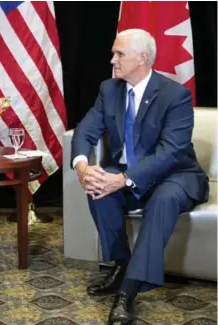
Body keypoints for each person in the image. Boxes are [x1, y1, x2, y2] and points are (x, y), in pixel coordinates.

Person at [71, 29, 209, 324]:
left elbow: (171, 152)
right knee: (97, 183)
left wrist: (122, 179)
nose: (112, 60)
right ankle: (121, 263)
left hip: (176, 175)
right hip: (129, 174)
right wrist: (82, 166)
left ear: (143, 58)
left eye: (119, 54)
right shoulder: (109, 89)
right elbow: (85, 130)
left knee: (163, 199)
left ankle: (128, 291)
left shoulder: (176, 95)